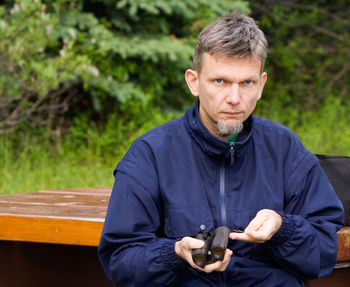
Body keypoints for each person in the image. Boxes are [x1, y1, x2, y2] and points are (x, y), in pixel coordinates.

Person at [98, 11, 344, 287]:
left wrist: (282, 228)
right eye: (220, 82)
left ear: (261, 85)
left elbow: (324, 252)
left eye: (247, 83)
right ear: (194, 82)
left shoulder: (285, 149)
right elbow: (120, 259)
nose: (234, 99)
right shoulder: (151, 154)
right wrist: (174, 254)